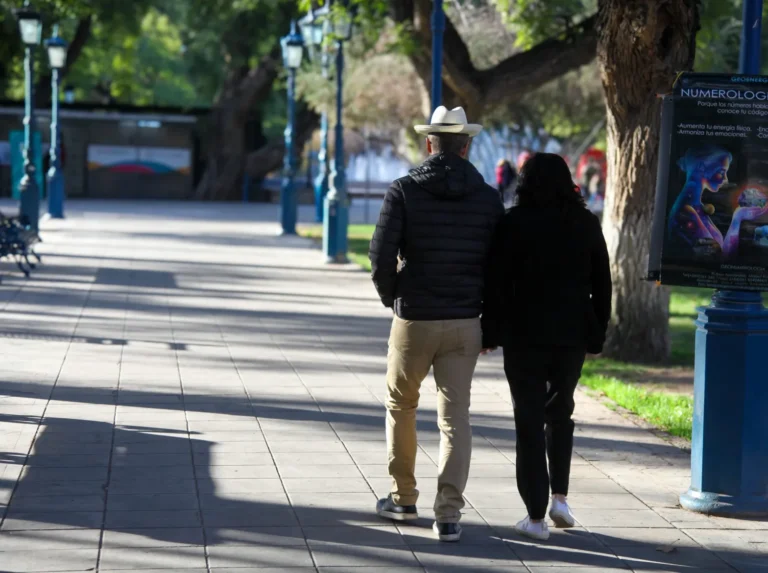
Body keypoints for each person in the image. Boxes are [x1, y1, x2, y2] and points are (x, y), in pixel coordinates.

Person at [369, 106, 504, 542]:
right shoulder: (487, 197)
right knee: (455, 417)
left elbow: (380, 257)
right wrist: (489, 319)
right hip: (465, 320)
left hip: (415, 319)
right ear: (466, 146)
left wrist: (395, 297)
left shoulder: (404, 190)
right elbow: (499, 266)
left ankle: (403, 497)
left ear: (430, 143)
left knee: (401, 405)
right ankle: (448, 515)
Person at [482, 153, 612, 541]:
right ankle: (560, 497)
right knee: (560, 412)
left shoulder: (512, 224)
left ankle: (535, 516)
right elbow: (602, 284)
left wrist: (490, 334)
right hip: (571, 336)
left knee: (528, 418)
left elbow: (496, 284)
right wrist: (597, 335)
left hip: (523, 336)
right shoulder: (586, 223)